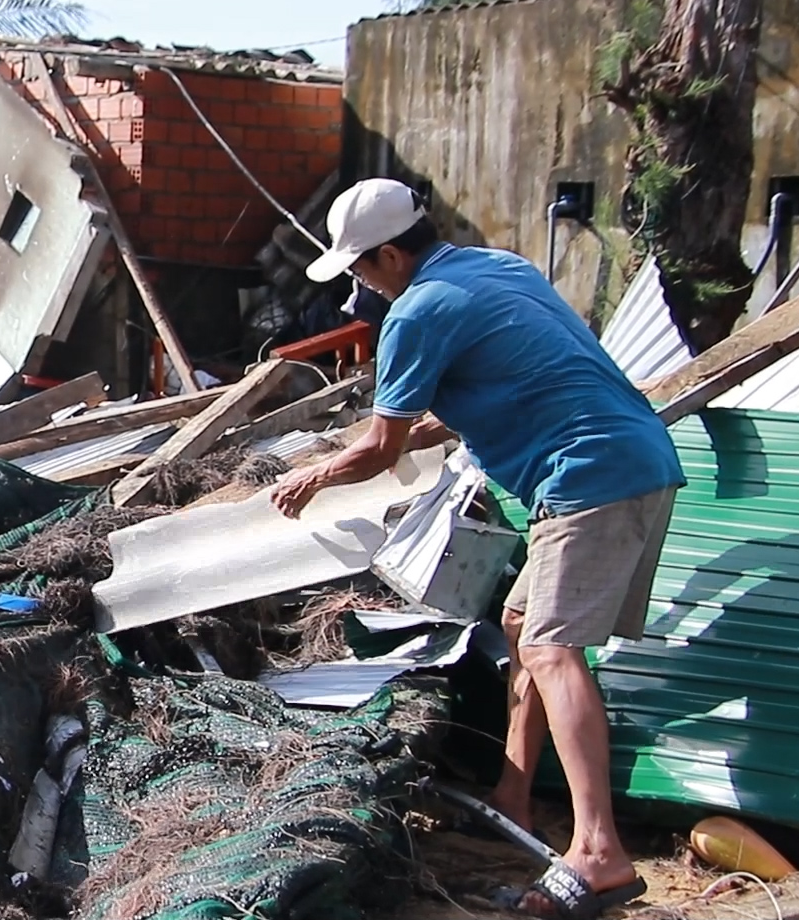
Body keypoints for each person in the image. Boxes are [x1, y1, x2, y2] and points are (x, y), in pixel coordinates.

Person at [268, 178, 685, 920]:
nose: (361, 287)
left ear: (389, 255)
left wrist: (314, 475)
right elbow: (487, 395)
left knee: (552, 648)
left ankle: (599, 852)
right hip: (630, 455)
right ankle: (513, 798)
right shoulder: (498, 269)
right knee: (523, 625)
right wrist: (379, 440)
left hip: (589, 474)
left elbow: (380, 447)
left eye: (360, 269)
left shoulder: (417, 310)